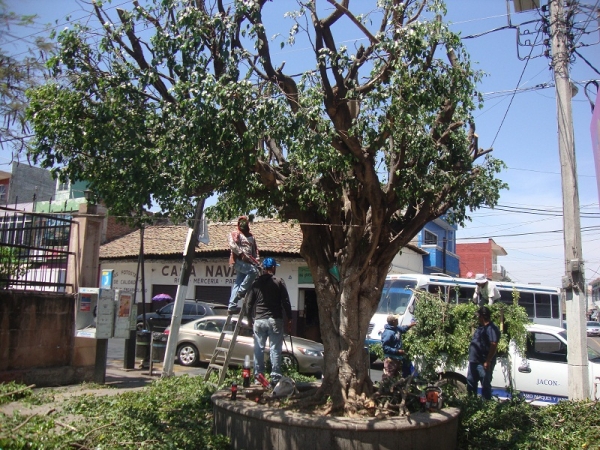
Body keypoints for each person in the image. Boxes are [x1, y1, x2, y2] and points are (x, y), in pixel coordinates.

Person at [246, 257, 292, 387]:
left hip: (259, 320)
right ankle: (275, 378)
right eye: (275, 267)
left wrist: (249, 319)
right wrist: (290, 318)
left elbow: (249, 304)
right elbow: (286, 302)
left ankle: (258, 377)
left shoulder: (256, 283)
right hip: (275, 319)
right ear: (272, 268)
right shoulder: (279, 281)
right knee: (275, 349)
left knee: (258, 349)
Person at [467, 306, 501, 400]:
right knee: (471, 383)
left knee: (485, 385)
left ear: (482, 316)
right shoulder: (481, 327)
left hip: (483, 363)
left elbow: (493, 344)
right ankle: (471, 405)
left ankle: (485, 409)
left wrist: (488, 361)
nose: (477, 318)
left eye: (478, 316)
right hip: (474, 361)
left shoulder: (491, 328)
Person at [227, 216, 260, 314]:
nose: (242, 224)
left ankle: (232, 306)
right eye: (240, 222)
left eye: (244, 222)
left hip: (248, 262)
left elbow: (255, 251)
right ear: (238, 223)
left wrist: (257, 260)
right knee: (254, 271)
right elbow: (232, 245)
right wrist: (241, 254)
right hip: (238, 261)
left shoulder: (251, 236)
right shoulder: (234, 234)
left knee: (238, 282)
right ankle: (241, 292)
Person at [381, 314, 416, 381]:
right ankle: (384, 389)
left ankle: (394, 390)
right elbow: (385, 348)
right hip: (391, 359)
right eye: (396, 319)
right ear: (394, 321)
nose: (398, 320)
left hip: (398, 358)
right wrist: (397, 351)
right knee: (388, 376)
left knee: (396, 377)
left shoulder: (396, 328)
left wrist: (410, 325)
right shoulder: (388, 333)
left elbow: (403, 329)